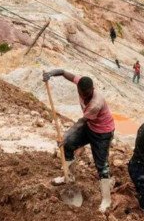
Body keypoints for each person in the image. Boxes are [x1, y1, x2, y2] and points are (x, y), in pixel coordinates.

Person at [42, 70, 115, 212]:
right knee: (68, 145)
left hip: (102, 133)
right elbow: (63, 72)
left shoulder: (96, 103)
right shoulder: (81, 82)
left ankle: (106, 199)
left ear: (92, 90)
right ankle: (69, 176)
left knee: (102, 166)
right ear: (79, 89)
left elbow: (81, 122)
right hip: (90, 127)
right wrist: (50, 74)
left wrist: (65, 134)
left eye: (87, 94)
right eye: (82, 94)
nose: (84, 97)